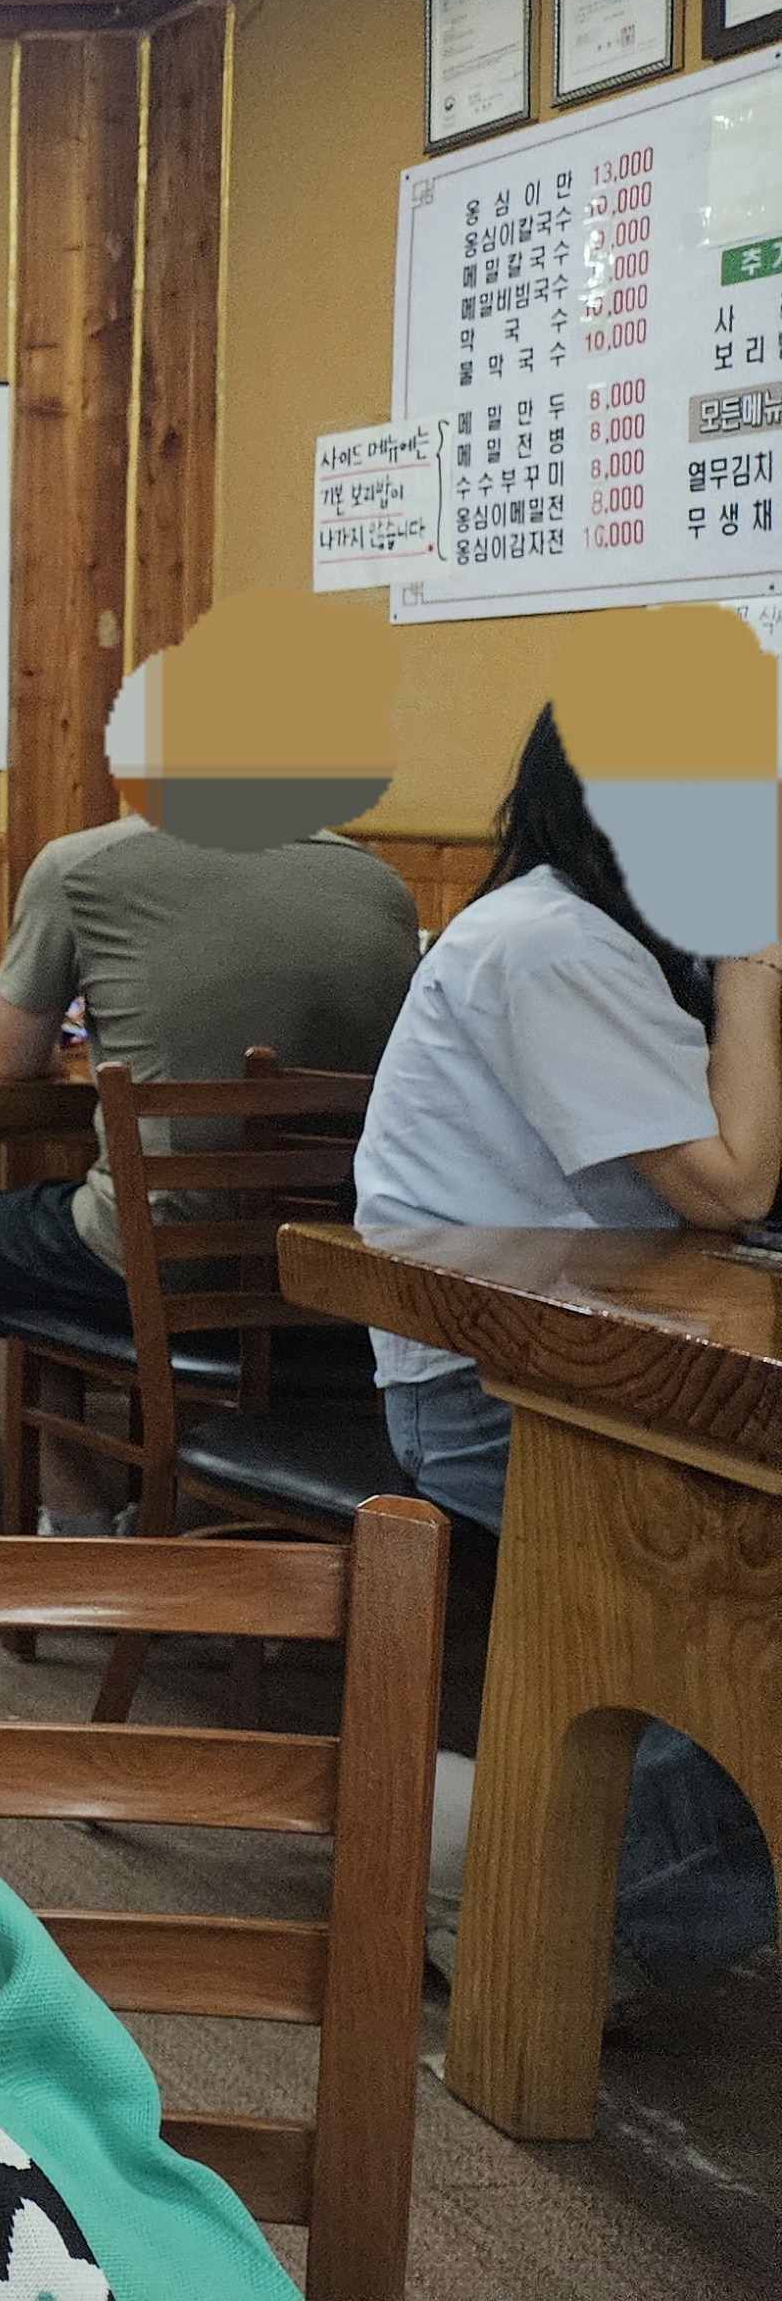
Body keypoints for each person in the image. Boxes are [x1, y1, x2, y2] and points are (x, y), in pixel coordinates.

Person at [353, 708, 776, 1995]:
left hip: (624, 1353)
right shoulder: (548, 943)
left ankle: (544, 1863)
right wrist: (752, 961)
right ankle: (561, 1928)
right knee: (754, 1622)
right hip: (499, 1387)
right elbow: (731, 1184)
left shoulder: (620, 940)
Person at [0, 809, 422, 1523]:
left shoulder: (82, 865)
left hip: (174, 1261)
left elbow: (8, 1058)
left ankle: (81, 1519)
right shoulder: (379, 882)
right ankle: (187, 1504)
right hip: (339, 1264)